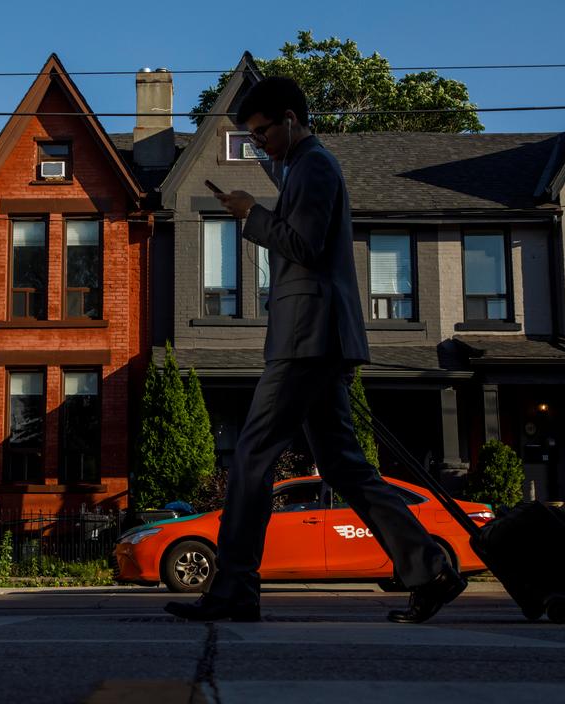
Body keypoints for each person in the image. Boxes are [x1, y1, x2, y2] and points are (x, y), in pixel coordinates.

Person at [164, 77, 465, 624]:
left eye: (262, 132)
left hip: (309, 338)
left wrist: (249, 214)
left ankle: (234, 589)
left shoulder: (317, 166)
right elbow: (291, 210)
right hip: (314, 337)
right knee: (345, 466)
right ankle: (430, 568)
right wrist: (254, 201)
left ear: (291, 118)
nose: (258, 144)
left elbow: (303, 243)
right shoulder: (300, 166)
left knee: (253, 456)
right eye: (250, 137)